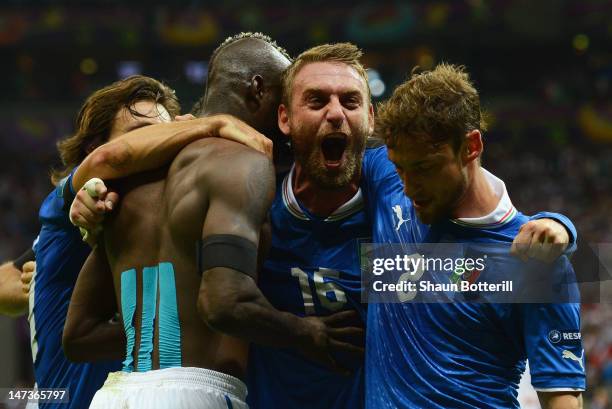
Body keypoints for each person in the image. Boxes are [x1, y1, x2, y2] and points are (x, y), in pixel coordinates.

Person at [71, 42, 580, 409]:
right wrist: (85, 196)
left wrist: (556, 228)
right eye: (316, 101)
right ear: (285, 119)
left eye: (350, 102)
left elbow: (478, 206)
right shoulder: (252, 190)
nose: (336, 114)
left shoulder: (392, 192)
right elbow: (106, 166)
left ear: (371, 122)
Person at [63, 33, 363, 409]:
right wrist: (306, 332)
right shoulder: (244, 162)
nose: (286, 119)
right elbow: (224, 303)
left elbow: (79, 335)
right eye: (282, 101)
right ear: (257, 90)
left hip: (116, 394)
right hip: (198, 393)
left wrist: (163, 337)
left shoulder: (130, 181)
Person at [364, 63, 584, 408]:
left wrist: (565, 229)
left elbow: (562, 397)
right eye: (400, 167)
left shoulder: (536, 259)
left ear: (471, 146)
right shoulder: (388, 179)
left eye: (424, 168)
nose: (408, 187)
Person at [31, 75, 257, 409]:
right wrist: (215, 125)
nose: (159, 149)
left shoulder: (163, 218)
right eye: (143, 136)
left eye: (166, 136)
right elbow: (104, 166)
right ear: (96, 147)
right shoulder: (71, 202)